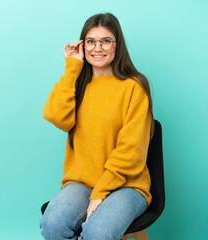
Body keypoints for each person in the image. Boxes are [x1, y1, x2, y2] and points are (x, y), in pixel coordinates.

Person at [40, 12, 155, 240]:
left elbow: (131, 151)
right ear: (83, 45)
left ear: (117, 44)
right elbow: (55, 116)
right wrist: (72, 67)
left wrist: (101, 192)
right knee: (52, 225)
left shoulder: (134, 87)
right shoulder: (79, 85)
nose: (98, 48)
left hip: (127, 185)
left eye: (106, 41)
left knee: (97, 233)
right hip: (82, 183)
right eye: (91, 41)